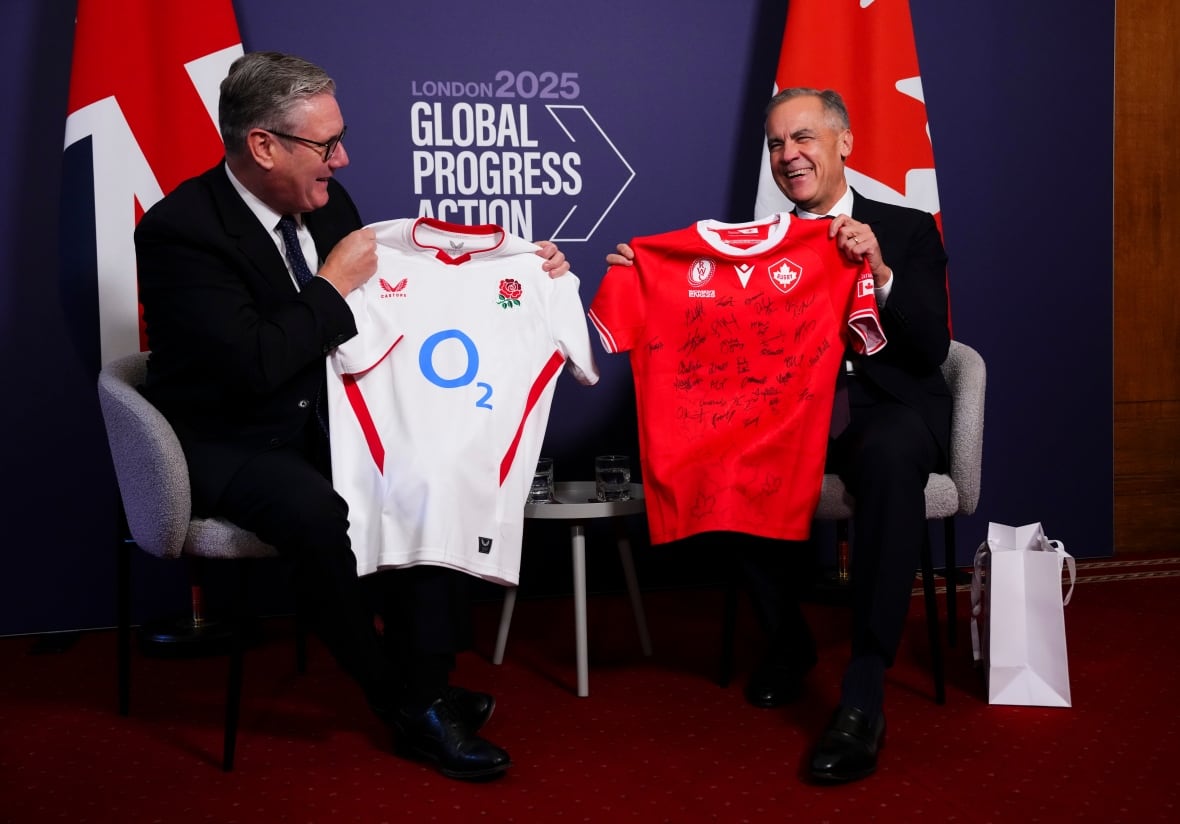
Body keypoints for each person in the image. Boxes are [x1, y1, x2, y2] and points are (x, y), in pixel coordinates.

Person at [134, 51, 571, 782]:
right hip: (231, 435)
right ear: (263, 145)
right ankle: (404, 701)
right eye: (326, 144)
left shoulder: (328, 202)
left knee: (425, 466)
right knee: (314, 512)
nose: (342, 159)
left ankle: (428, 680)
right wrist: (331, 287)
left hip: (326, 413)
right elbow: (253, 365)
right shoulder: (180, 231)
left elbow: (412, 290)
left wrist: (526, 268)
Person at [607, 87, 951, 784]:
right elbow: (710, 336)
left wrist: (881, 272)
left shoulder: (907, 228)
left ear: (844, 142)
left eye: (802, 138)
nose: (787, 155)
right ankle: (788, 640)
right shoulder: (757, 248)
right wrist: (646, 278)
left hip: (881, 408)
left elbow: (931, 348)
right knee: (718, 454)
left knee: (889, 455)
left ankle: (864, 689)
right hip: (789, 413)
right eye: (775, 144)